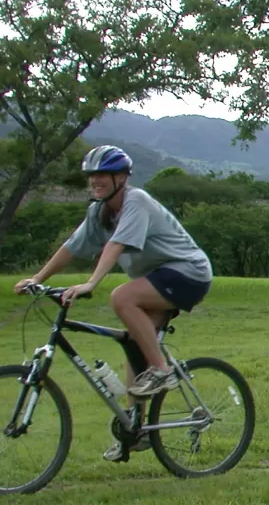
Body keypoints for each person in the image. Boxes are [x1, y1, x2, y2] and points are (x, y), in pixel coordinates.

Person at [15, 144, 214, 460]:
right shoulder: (100, 210)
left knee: (121, 296)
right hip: (158, 278)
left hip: (188, 272)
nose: (95, 182)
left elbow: (117, 246)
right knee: (135, 345)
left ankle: (162, 370)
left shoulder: (136, 202)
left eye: (102, 176)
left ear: (121, 177)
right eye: (91, 177)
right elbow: (71, 247)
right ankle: (134, 431)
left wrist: (91, 283)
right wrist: (37, 279)